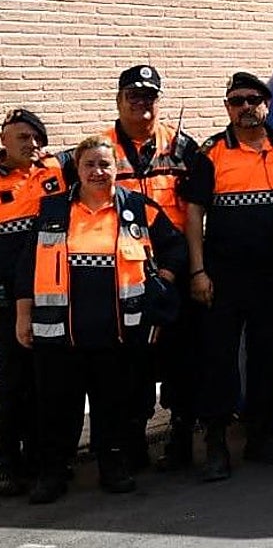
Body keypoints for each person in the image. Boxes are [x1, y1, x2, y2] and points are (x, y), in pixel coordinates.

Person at [14, 135, 187, 504]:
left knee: (115, 406)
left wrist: (163, 280)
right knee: (57, 409)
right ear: (77, 168)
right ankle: (52, 473)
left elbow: (176, 246)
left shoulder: (138, 209)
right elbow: (27, 266)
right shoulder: (52, 210)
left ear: (115, 169)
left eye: (104, 164)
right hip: (59, 334)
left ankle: (114, 467)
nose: (97, 171)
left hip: (118, 333)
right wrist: (23, 315)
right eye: (89, 164)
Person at [181, 72, 273, 482]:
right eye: (236, 101)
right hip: (223, 277)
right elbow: (194, 213)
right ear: (227, 108)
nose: (245, 106)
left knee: (269, 358)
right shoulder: (211, 153)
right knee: (219, 361)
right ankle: (216, 444)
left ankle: (259, 437)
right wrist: (197, 270)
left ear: (267, 104)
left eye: (253, 99)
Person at [98, 65, 200, 472]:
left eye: (149, 97)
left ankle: (180, 437)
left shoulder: (182, 147)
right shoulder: (100, 150)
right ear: (119, 100)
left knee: (181, 358)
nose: (142, 104)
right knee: (130, 360)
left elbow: (200, 205)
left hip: (173, 265)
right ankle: (132, 440)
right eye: (133, 97)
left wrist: (191, 270)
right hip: (121, 272)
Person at [0, 110, 67, 498]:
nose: (31, 143)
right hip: (6, 300)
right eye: (22, 137)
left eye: (36, 136)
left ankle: (43, 459)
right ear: (5, 140)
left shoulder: (55, 170)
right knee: (12, 383)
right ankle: (7, 463)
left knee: (48, 383)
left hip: (50, 295)